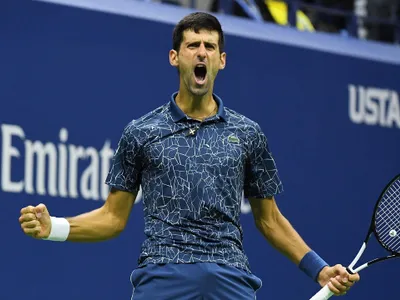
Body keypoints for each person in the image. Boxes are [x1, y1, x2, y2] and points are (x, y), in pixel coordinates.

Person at [19, 12, 360, 299]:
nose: (201, 53)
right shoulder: (141, 132)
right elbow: (112, 217)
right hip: (162, 278)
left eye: (210, 47)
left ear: (221, 61)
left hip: (231, 279)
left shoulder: (248, 134)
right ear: (175, 57)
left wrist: (319, 269)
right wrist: (54, 228)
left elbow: (269, 220)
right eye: (192, 46)